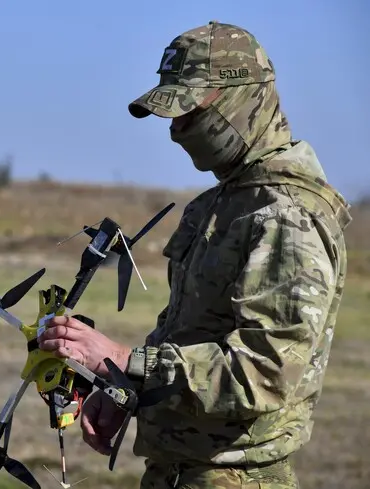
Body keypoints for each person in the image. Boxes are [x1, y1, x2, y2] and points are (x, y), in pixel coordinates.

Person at [38, 20, 352, 489]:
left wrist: (128, 360)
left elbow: (264, 372)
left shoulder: (287, 216)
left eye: (190, 112)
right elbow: (187, 333)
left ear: (244, 96)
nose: (177, 132)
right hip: (177, 472)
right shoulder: (217, 205)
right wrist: (127, 389)